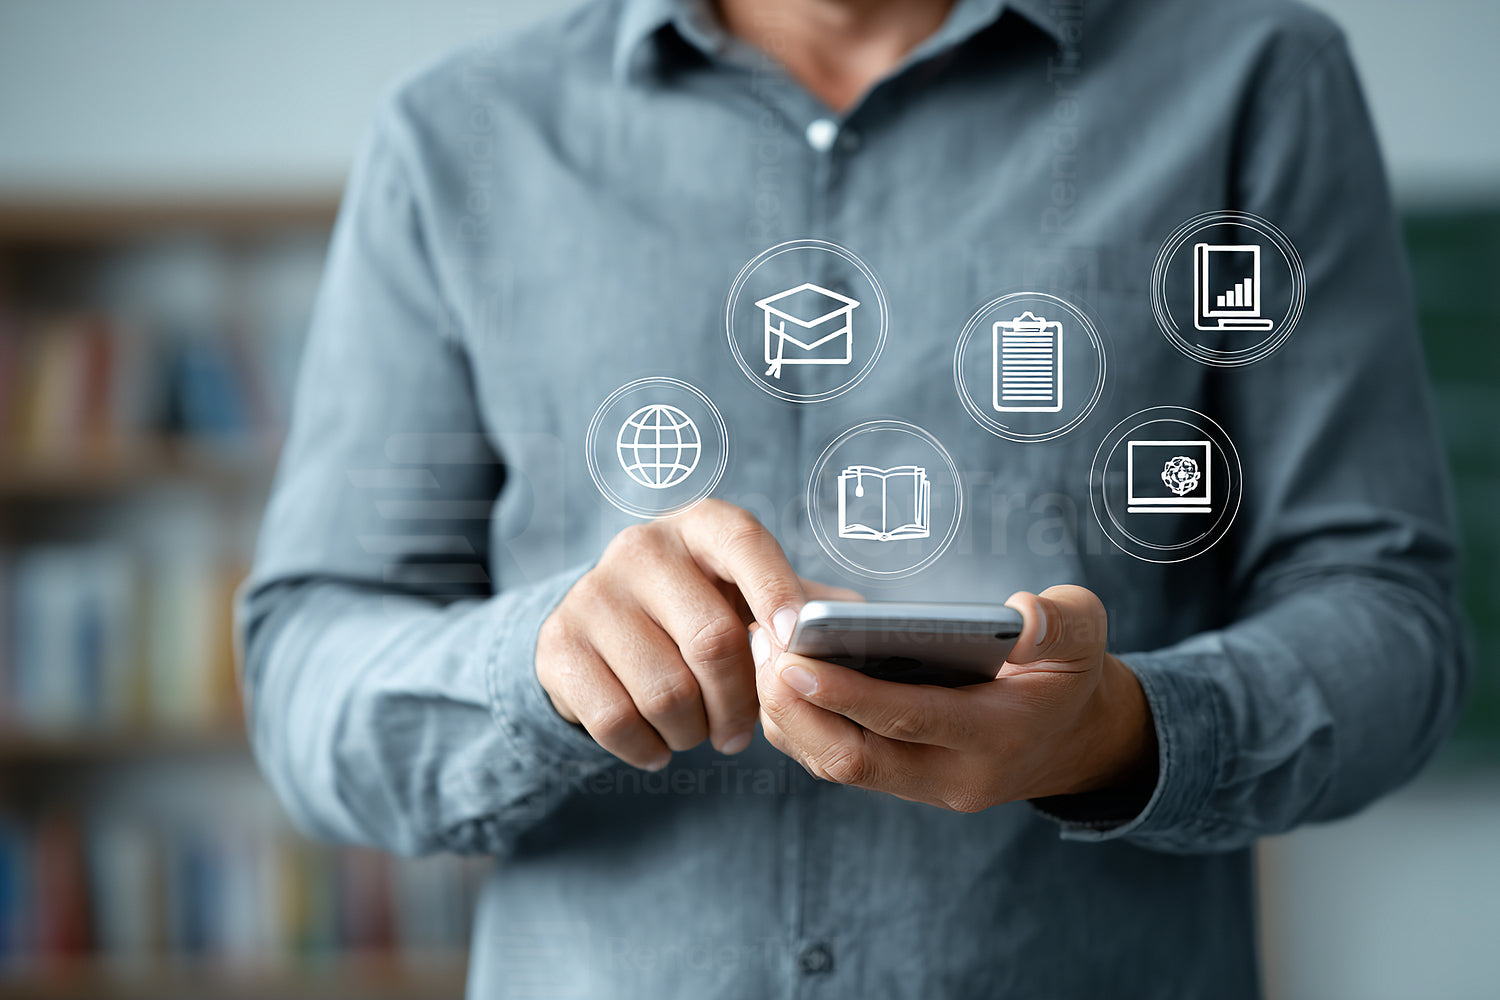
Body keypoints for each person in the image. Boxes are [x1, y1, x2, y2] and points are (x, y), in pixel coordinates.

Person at [239, 0, 1469, 995]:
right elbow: (305, 673)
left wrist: (1120, 734)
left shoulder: (1257, 81)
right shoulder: (460, 137)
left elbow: (1390, 623)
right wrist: (539, 664)